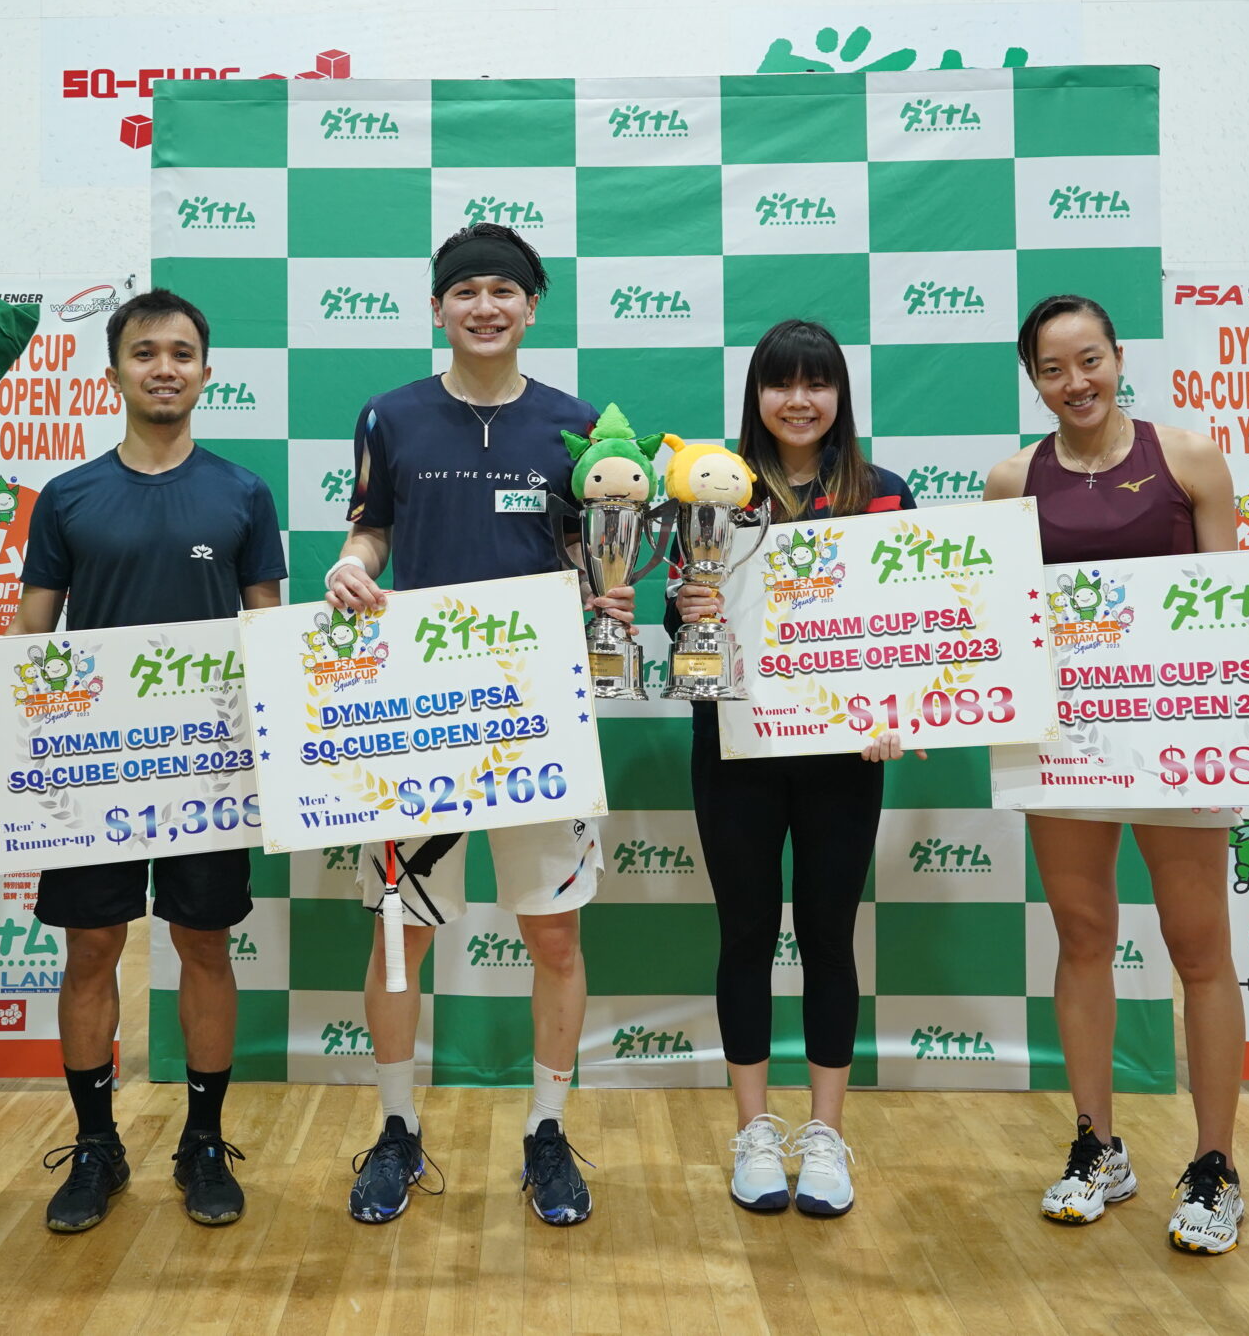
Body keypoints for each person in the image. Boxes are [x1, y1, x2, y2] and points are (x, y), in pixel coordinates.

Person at [0, 288, 284, 1234]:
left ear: (206, 372)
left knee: (204, 944)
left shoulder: (244, 492)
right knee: (92, 947)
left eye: (180, 352)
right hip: (93, 775)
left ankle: (203, 1141)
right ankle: (97, 1144)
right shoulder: (71, 496)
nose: (162, 366)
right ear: (115, 371)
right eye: (143, 352)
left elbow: (270, 636)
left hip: (208, 770)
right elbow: (25, 641)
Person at [324, 222, 632, 1228]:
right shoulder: (390, 416)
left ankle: (547, 1130)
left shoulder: (573, 423)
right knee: (399, 939)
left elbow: (599, 554)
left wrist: (608, 598)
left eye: (504, 291)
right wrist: (356, 564)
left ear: (531, 306)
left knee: (551, 938)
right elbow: (372, 525)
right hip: (417, 716)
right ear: (438, 306)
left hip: (538, 715)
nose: (485, 307)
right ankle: (397, 1133)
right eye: (465, 292)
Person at [985, 292, 1248, 1255]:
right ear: (1034, 380)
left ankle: (1216, 1164)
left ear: (1117, 356)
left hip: (1179, 745)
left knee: (1197, 947)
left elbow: (1233, 608)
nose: (1074, 383)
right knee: (1084, 935)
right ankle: (1099, 1145)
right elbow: (999, 626)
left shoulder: (1189, 459)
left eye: (1087, 360)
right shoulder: (1011, 478)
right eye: (1052, 370)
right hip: (1067, 746)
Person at [667, 319, 915, 1218]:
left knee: (827, 937)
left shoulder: (885, 494)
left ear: (841, 395)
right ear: (756, 397)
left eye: (818, 384)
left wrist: (894, 712)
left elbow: (905, 624)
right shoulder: (714, 491)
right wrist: (686, 602)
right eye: (781, 384)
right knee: (744, 934)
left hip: (845, 756)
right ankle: (754, 1132)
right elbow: (679, 625)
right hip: (736, 745)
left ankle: (826, 1136)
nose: (799, 401)